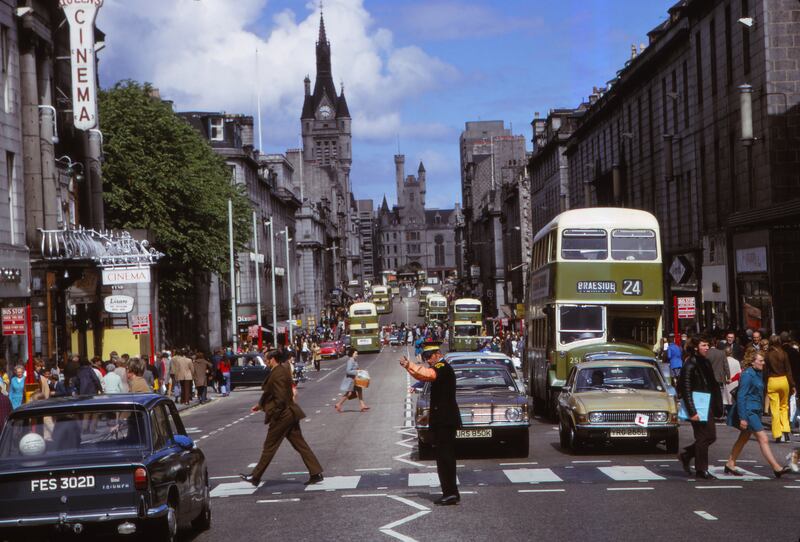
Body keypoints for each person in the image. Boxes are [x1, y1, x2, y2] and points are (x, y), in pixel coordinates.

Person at [239, 350, 324, 487]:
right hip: (290, 413)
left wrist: (275, 414)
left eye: (266, 359)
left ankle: (255, 477)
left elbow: (280, 398)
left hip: (283, 415)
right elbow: (271, 394)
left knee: (269, 446)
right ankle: (316, 473)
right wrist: (260, 405)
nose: (265, 362)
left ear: (272, 359)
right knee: (300, 444)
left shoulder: (278, 373)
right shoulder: (282, 369)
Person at [400, 341, 461, 506]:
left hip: (445, 421)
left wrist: (409, 365)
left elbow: (427, 375)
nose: (427, 360)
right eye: (425, 356)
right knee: (443, 458)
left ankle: (450, 493)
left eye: (429, 356)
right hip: (443, 420)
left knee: (445, 458)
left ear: (438, 354)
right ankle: (450, 492)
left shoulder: (442, 367)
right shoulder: (440, 367)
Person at [724, 351, 791, 478]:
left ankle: (730, 463)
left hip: (755, 411)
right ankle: (776, 467)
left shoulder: (758, 373)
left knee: (743, 438)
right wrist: (743, 417)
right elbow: (741, 396)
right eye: (760, 361)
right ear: (752, 361)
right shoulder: (747, 375)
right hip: (749, 411)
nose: (763, 363)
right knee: (763, 439)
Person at [677, 336, 723, 479]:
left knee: (710, 436)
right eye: (704, 345)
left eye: (707, 345)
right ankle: (701, 469)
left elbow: (711, 385)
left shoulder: (705, 362)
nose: (707, 347)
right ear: (696, 347)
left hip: (706, 403)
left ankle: (687, 454)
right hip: (697, 405)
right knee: (703, 437)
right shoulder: (690, 364)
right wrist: (692, 412)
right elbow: (685, 389)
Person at [765, 334, 795, 443]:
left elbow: (766, 372)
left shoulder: (767, 355)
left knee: (774, 408)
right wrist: (793, 385)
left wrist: (764, 385)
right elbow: (789, 371)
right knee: (784, 406)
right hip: (784, 380)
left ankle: (777, 434)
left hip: (772, 380)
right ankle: (786, 431)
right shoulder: (784, 354)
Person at [334, 348, 369, 412]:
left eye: (357, 354)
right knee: (349, 393)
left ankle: (362, 405)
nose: (357, 355)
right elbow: (348, 371)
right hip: (351, 380)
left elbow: (357, 368)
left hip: (356, 380)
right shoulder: (350, 361)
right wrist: (357, 372)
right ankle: (338, 404)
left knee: (359, 390)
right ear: (352, 354)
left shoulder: (354, 360)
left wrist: (362, 371)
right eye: (355, 353)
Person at [706, 340, 730, 418]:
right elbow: (725, 365)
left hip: (709, 378)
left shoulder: (707, 353)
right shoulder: (721, 353)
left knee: (710, 395)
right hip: (719, 378)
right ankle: (719, 412)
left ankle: (710, 412)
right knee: (720, 396)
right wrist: (728, 376)